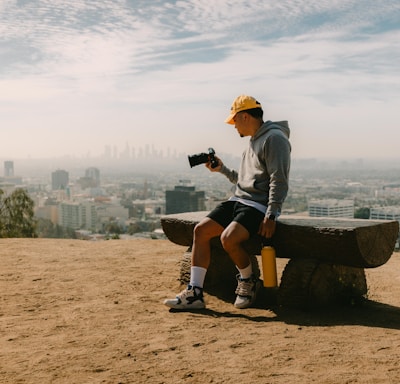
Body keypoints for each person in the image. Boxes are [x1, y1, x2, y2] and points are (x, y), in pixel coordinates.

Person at [164, 95, 291, 310]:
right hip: (239, 200)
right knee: (201, 230)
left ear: (245, 116)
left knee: (228, 239)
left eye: (234, 121)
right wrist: (221, 169)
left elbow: (279, 179)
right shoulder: (253, 141)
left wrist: (271, 214)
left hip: (258, 206)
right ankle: (194, 293)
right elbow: (244, 180)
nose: (233, 127)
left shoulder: (274, 139)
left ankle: (248, 280)